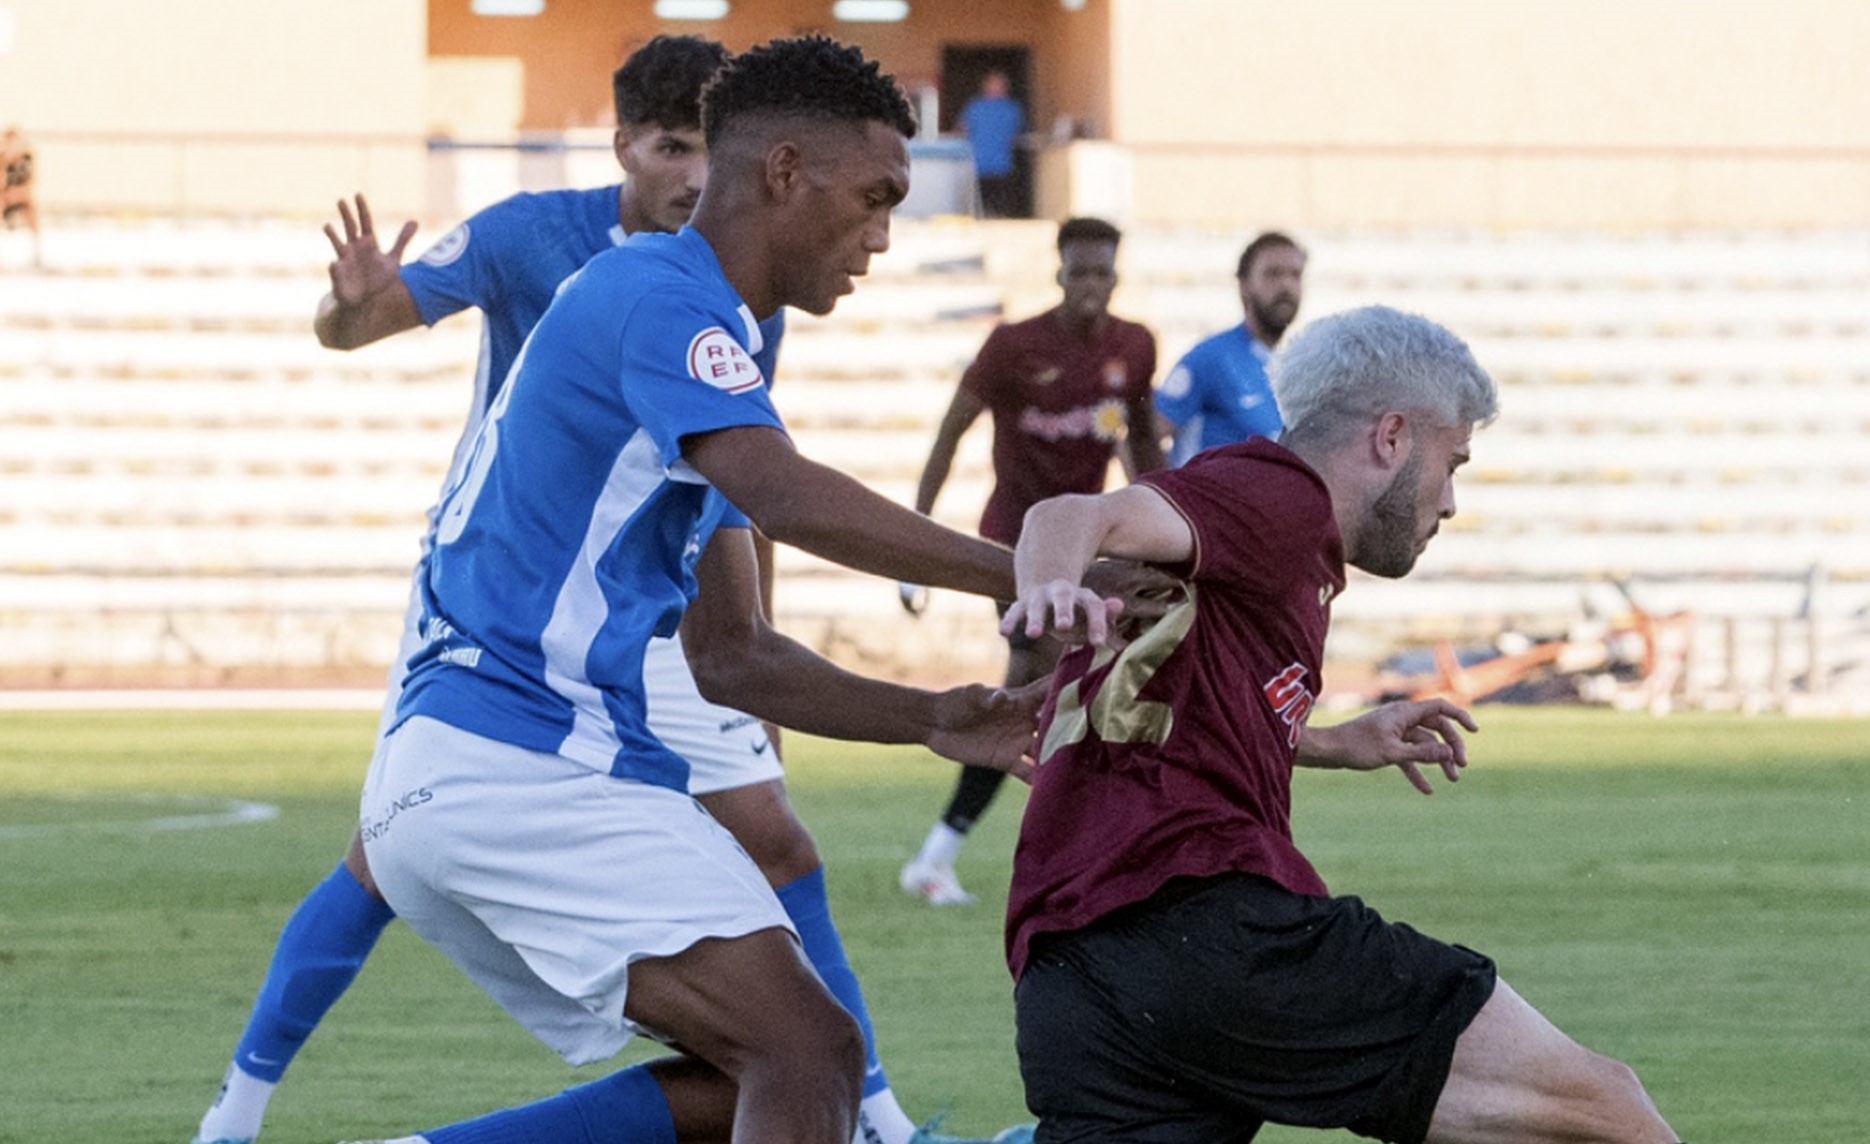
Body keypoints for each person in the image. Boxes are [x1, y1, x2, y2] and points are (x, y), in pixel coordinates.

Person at [193, 36, 1027, 1144]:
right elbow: (785, 497)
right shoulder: (654, 298)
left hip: (477, 768)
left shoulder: (711, 347)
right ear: (784, 170)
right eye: (875, 198)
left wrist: (929, 716)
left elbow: (733, 655)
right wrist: (1028, 569)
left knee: (760, 1075)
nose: (882, 236)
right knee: (808, 1046)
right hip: (521, 759)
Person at [1000, 305, 1683, 1144]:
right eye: (1453, 461)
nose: (1452, 501)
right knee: (1603, 1113)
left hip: (1069, 974)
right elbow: (1069, 514)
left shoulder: (1258, 533)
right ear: (1392, 437)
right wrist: (1047, 590)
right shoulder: (1280, 497)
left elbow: (1165, 714)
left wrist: (1329, 740)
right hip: (1203, 923)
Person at [897, 217, 1163, 907]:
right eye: (1079, 272)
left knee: (1051, 691)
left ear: (1115, 275)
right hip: (1012, 545)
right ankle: (1081, 858)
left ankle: (948, 853)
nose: (1090, 286)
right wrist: (915, 548)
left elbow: (1140, 445)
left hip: (1086, 547)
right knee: (1056, 683)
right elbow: (950, 434)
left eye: (1102, 272)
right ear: (1059, 273)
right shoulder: (1015, 347)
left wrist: (1168, 528)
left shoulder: (1132, 347)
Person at [1153, 230, 1306, 466]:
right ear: (1244, 284)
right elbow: (1141, 439)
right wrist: (1165, 498)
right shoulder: (1210, 358)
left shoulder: (1296, 368)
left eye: (1295, 275)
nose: (1286, 285)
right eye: (1272, 274)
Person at [958, 72, 1023, 218]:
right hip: (977, 165)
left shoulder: (1012, 108)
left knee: (1000, 208)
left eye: (998, 84)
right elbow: (963, 130)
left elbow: (1014, 133)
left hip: (1002, 165)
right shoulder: (974, 106)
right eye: (992, 84)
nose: (995, 88)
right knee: (978, 209)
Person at [2, 126, 43, 270]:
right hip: (4, 201)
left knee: (32, 207)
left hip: (18, 199)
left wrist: (15, 195)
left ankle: (37, 251)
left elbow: (29, 185)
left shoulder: (26, 160)